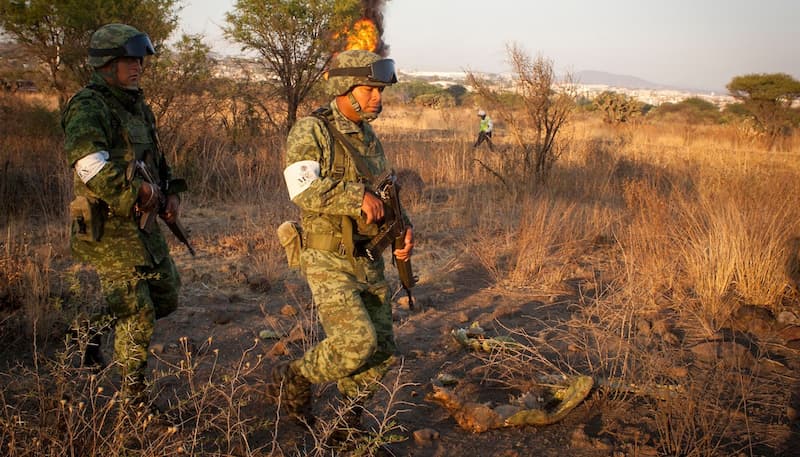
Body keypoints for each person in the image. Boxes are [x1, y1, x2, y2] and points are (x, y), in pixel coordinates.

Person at [274, 49, 414, 432]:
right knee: (357, 341)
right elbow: (302, 188)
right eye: (369, 89)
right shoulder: (311, 130)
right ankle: (298, 376)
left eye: (380, 91)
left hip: (367, 258)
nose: (377, 98)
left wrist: (405, 229)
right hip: (327, 256)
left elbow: (386, 192)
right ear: (343, 87)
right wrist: (356, 197)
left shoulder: (368, 136)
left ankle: (345, 423)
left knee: (383, 351)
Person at [61, 23, 185, 404]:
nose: (138, 67)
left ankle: (89, 332)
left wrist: (169, 191)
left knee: (166, 296)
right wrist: (136, 191)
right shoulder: (88, 105)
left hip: (143, 224)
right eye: (129, 60)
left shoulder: (137, 106)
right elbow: (89, 165)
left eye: (140, 60)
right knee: (138, 312)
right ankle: (133, 401)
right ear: (106, 64)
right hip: (109, 227)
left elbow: (154, 159)